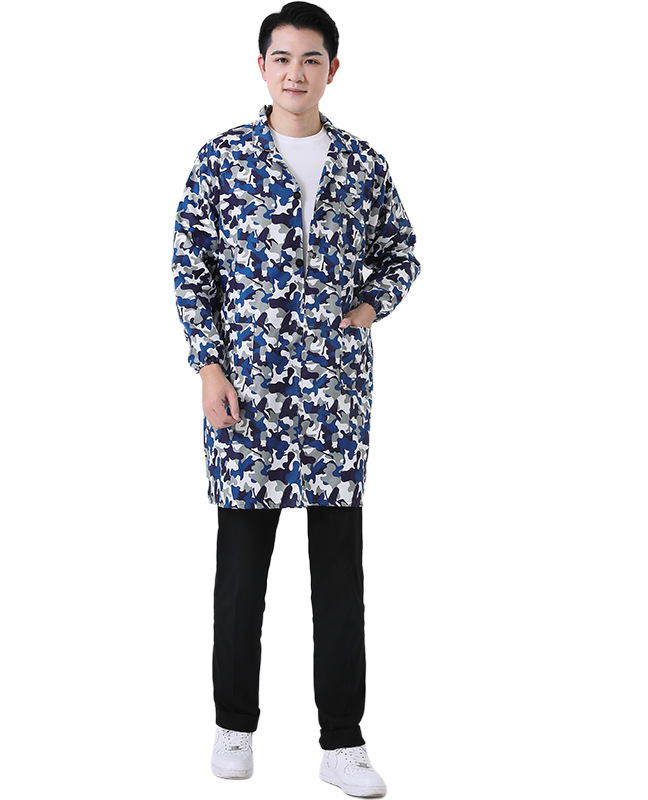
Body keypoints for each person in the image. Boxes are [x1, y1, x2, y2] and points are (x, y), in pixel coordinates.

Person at [171, 3, 420, 796]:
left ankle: (343, 742)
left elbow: (401, 252)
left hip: (334, 400)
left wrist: (369, 308)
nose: (295, 72)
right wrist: (208, 365)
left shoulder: (363, 166)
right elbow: (191, 268)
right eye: (281, 58)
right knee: (241, 574)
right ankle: (233, 726)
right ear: (262, 67)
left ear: (332, 70)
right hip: (246, 400)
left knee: (338, 579)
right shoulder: (222, 161)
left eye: (311, 59)